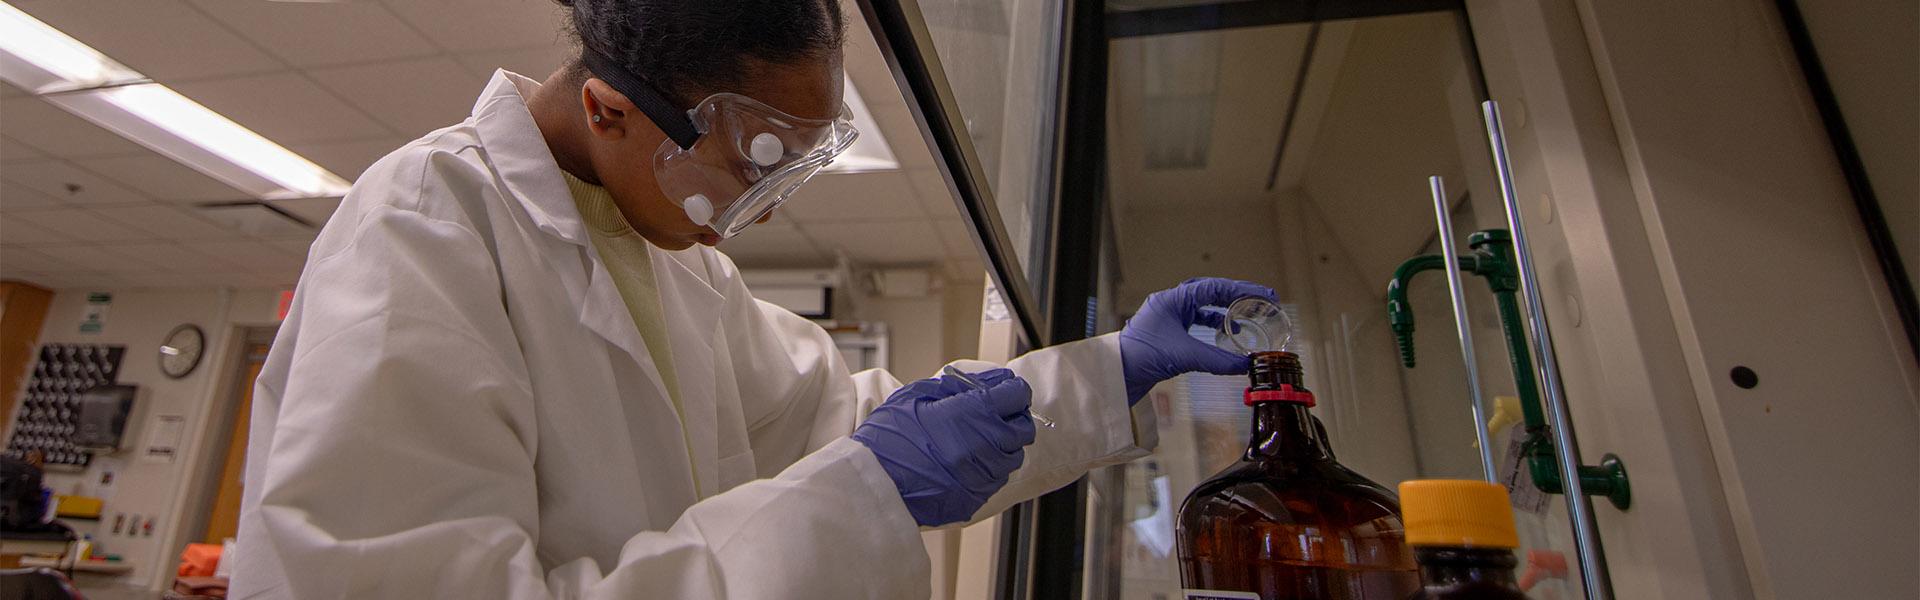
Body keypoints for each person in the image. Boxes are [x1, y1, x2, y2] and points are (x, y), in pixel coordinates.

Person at [227, 0, 1274, 598]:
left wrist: (1108, 369)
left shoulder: (682, 266)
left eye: (786, 178)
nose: (758, 219)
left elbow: (866, 426)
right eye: (744, 171)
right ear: (607, 110)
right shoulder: (428, 224)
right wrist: (861, 495)